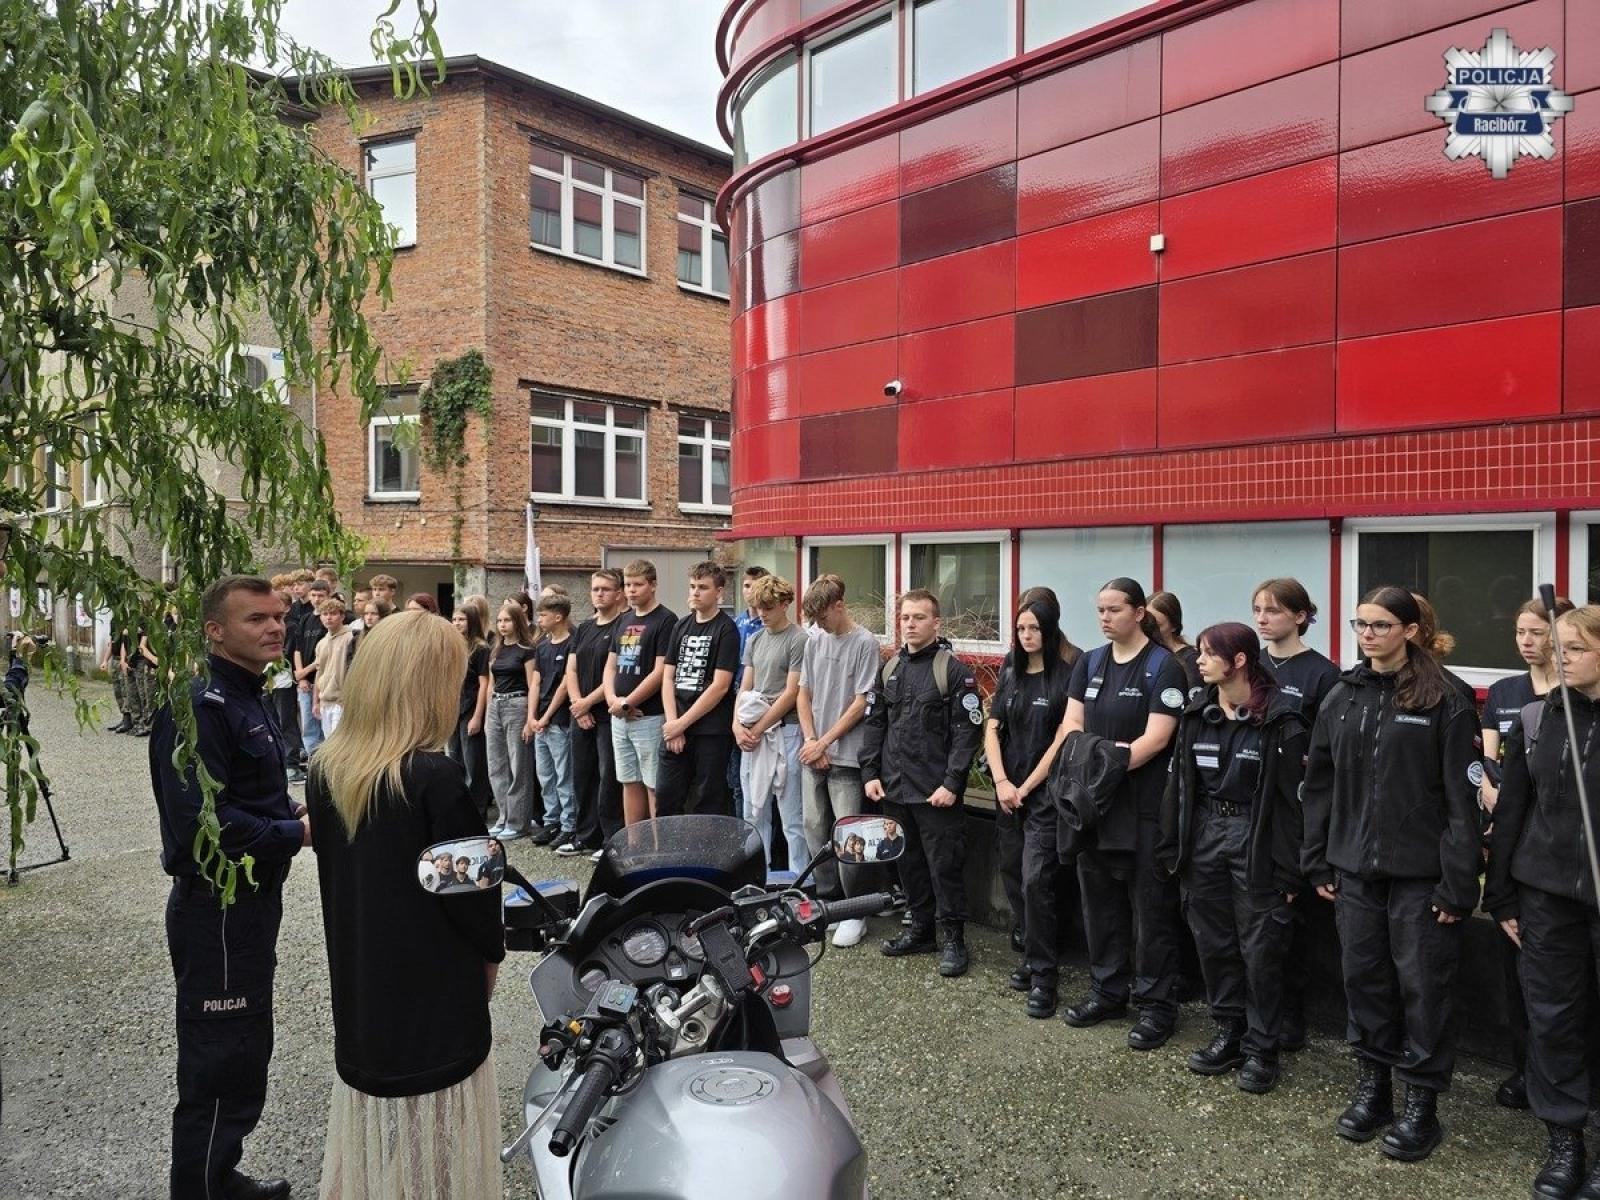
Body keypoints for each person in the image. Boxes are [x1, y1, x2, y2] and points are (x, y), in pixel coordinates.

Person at [307, 608, 504, 1200]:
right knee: (440, 1130)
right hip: (434, 982)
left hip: (362, 974)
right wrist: (490, 960)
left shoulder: (327, 769)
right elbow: (473, 902)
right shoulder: (435, 779)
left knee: (383, 1128)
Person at [1301, 586, 1479, 1162]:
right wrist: (1319, 857)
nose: (1368, 634)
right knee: (1365, 980)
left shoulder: (1445, 698)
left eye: (1380, 625)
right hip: (1353, 868)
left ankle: (1421, 1105)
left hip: (1421, 877)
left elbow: (1462, 799)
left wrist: (1457, 881)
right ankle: (1374, 1088)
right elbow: (1320, 784)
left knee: (1423, 988)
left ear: (1409, 630)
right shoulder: (1342, 695)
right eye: (1360, 624)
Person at [148, 575, 311, 1200]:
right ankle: (200, 1190)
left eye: (277, 616)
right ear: (215, 630)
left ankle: (218, 1177)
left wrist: (296, 811)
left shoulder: (248, 696)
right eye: (256, 619)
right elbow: (202, 830)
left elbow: (253, 794)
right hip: (216, 904)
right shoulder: (198, 706)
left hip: (250, 903)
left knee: (243, 1050)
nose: (274, 627)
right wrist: (296, 834)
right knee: (219, 1055)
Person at [1158, 622, 1310, 1095]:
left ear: (1239, 661)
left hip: (1255, 839)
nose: (1198, 662)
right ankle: (1228, 1030)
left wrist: (1290, 869)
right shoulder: (1197, 712)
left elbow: (1294, 803)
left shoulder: (1282, 719)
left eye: (1207, 655)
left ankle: (1263, 1047)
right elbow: (1179, 787)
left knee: (1260, 947)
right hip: (1205, 835)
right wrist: (1174, 848)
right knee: (1213, 941)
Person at [1487, 603, 1600, 1200]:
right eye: (1555, 646)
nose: (1559, 657)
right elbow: (1514, 810)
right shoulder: (1537, 716)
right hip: (1545, 893)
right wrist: (1502, 891)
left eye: (1574, 649)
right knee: (1552, 1015)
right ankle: (1565, 1138)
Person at [1057, 577, 1188, 1049]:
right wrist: (1093, 769)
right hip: (1094, 809)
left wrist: (1106, 765)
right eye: (1099, 610)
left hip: (1144, 811)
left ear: (1138, 613)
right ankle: (1108, 990)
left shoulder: (1163, 668)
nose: (1105, 617)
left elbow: (1156, 739)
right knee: (1100, 906)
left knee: (1152, 913)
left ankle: (1156, 1005)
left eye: (1114, 609)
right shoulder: (1089, 662)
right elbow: (1073, 724)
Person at [1481, 595, 1573, 1113]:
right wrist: (1490, 793)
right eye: (1520, 631)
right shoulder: (1505, 693)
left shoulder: (1575, 696)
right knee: (1522, 976)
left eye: (1537, 631)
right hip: (1513, 838)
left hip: (1560, 847)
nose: (1526, 641)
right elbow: (1490, 762)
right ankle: (1525, 1068)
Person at [863, 589, 983, 978]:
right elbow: (876, 722)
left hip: (936, 794)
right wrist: (871, 773)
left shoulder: (954, 672)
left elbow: (967, 734)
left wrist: (953, 782)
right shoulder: (889, 668)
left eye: (919, 617)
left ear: (936, 623)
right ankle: (921, 930)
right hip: (895, 789)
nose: (910, 624)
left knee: (944, 868)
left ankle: (953, 939)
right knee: (908, 865)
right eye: (905, 618)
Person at [1251, 576, 1341, 1050]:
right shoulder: (1250, 662)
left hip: (1295, 811)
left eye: (1273, 610)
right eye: (1258, 610)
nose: (1263, 619)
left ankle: (1291, 1014)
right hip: (1248, 805)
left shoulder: (1322, 675)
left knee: (1289, 919)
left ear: (1301, 615)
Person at [985, 593, 1074, 1018]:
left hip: (1044, 796)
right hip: (1008, 794)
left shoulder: (1066, 677)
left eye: (1034, 628)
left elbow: (1061, 740)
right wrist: (1003, 782)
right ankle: (1029, 952)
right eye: (1021, 629)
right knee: (1013, 875)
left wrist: (1026, 786)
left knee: (1037, 880)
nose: (1026, 635)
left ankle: (1045, 977)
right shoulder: (1010, 673)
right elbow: (992, 729)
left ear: (1050, 629)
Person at [796, 574, 883, 948]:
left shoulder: (865, 643)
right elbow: (803, 692)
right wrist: (811, 739)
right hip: (815, 749)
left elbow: (862, 702)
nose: (818, 625)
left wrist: (825, 741)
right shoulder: (815, 640)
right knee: (815, 828)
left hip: (846, 755)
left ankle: (855, 910)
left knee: (849, 835)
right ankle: (828, 902)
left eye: (822, 617)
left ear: (839, 606)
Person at [735, 573, 809, 870]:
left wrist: (755, 728)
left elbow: (792, 693)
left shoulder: (798, 639)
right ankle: (757, 876)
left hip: (786, 729)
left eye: (767, 607)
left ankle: (799, 879)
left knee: (791, 814)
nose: (761, 614)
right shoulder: (754, 638)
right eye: (757, 607)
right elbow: (744, 687)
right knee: (753, 813)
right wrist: (737, 726)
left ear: (785, 604)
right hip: (753, 730)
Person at [657, 562, 741, 817]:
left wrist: (682, 724)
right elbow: (667, 677)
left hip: (710, 731)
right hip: (675, 727)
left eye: (703, 587)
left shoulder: (726, 629)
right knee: (666, 796)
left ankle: (703, 855)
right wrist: (673, 724)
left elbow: (720, 686)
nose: (695, 592)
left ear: (719, 592)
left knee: (707, 799)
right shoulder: (680, 626)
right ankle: (668, 855)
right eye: (692, 586)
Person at [603, 560, 677, 825]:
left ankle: (658, 847)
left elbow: (660, 672)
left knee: (653, 783)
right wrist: (613, 701)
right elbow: (611, 664)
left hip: (648, 716)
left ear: (653, 585)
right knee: (628, 780)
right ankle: (633, 845)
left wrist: (628, 702)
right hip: (619, 717)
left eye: (638, 584)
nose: (631, 590)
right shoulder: (624, 620)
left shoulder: (666, 620)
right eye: (627, 585)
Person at [567, 570, 627, 859]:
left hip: (607, 713)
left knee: (608, 778)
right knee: (582, 775)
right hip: (581, 713)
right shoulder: (583, 628)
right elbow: (572, 669)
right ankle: (584, 836)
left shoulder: (623, 626)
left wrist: (588, 703)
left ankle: (609, 839)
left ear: (618, 593)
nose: (599, 594)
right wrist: (578, 705)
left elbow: (613, 674)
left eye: (605, 589)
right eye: (595, 589)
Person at [485, 600, 537, 841]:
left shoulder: (527, 650)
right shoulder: (495, 649)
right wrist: (487, 711)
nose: (502, 625)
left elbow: (532, 685)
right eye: (499, 620)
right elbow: (491, 684)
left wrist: (530, 718)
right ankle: (503, 816)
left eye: (507, 620)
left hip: (517, 704)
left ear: (517, 622)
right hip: (495, 704)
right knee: (496, 765)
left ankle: (518, 822)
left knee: (518, 765)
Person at [529, 594, 577, 851]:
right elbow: (536, 682)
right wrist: (532, 716)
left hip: (558, 720)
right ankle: (552, 820)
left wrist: (546, 715)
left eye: (543, 615)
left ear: (558, 617)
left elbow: (565, 684)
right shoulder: (542, 647)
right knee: (545, 775)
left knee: (563, 775)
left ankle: (569, 825)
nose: (539, 620)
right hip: (541, 722)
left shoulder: (571, 644)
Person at [448, 605, 493, 821]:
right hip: (453, 709)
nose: (457, 623)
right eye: (454, 619)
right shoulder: (452, 646)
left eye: (462, 619)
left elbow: (484, 684)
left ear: (472, 621)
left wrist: (477, 715)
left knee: (473, 762)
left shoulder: (481, 649)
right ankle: (458, 806)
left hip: (471, 707)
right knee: (454, 760)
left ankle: (477, 809)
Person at [293, 577, 332, 758]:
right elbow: (298, 648)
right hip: (305, 682)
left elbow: (325, 654)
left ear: (328, 596)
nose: (317, 599)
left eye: (321, 595)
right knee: (308, 724)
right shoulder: (306, 619)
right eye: (314, 595)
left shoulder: (330, 620)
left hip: (323, 679)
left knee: (325, 722)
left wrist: (306, 671)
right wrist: (300, 676)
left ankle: (326, 758)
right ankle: (313, 759)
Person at [310, 597, 356, 737]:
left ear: (342, 616)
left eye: (333, 614)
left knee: (340, 742)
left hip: (343, 701)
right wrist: (316, 702)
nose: (328, 618)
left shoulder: (351, 638)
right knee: (329, 742)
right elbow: (319, 672)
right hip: (325, 701)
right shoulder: (321, 643)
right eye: (325, 614)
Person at [1149, 590, 1202, 697]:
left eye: (1157, 625)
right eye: (1146, 623)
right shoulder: (1144, 653)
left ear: (1173, 626)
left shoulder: (1191, 660)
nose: (1149, 629)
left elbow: (1194, 703)